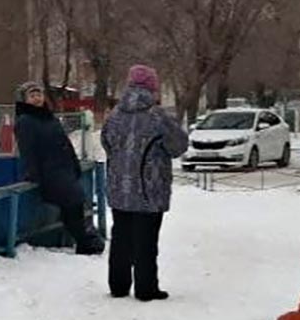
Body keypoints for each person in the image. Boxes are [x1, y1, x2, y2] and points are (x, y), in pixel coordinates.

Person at [101, 65, 188, 301]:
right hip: (150, 189)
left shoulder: (115, 115)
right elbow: (178, 146)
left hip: (120, 188)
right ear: (152, 88)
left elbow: (106, 144)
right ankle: (145, 287)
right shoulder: (158, 117)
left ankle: (118, 286)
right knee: (146, 240)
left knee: (121, 238)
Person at [13, 82, 105, 255]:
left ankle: (84, 240)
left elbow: (65, 142)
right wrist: (33, 173)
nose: (37, 98)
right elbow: (28, 150)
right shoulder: (25, 121)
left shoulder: (49, 118)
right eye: (32, 96)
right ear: (25, 100)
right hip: (49, 171)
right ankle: (83, 241)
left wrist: (74, 163)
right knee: (72, 203)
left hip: (64, 168)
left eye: (39, 94)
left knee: (76, 203)